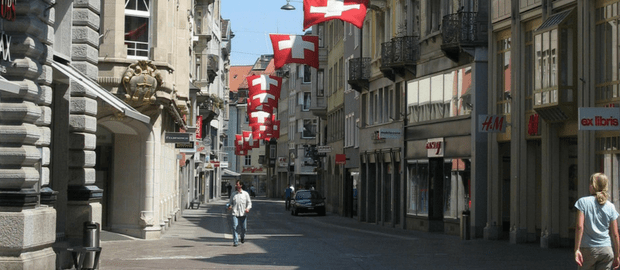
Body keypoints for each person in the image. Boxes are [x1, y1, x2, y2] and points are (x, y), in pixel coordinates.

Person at [574, 173, 620, 269]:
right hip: (606, 249)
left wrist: (577, 249)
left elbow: (579, 227)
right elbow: (615, 233)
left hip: (588, 249)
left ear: (592, 186)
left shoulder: (583, 202)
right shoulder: (610, 206)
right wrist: (617, 255)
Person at [227, 180, 252, 247]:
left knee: (244, 228)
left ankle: (242, 237)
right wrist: (229, 206)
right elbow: (230, 203)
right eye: (236, 184)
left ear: (241, 185)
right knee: (235, 227)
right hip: (235, 213)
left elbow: (249, 203)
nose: (236, 185)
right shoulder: (233, 194)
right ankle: (235, 242)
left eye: (237, 184)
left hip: (243, 213)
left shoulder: (245, 194)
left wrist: (248, 208)